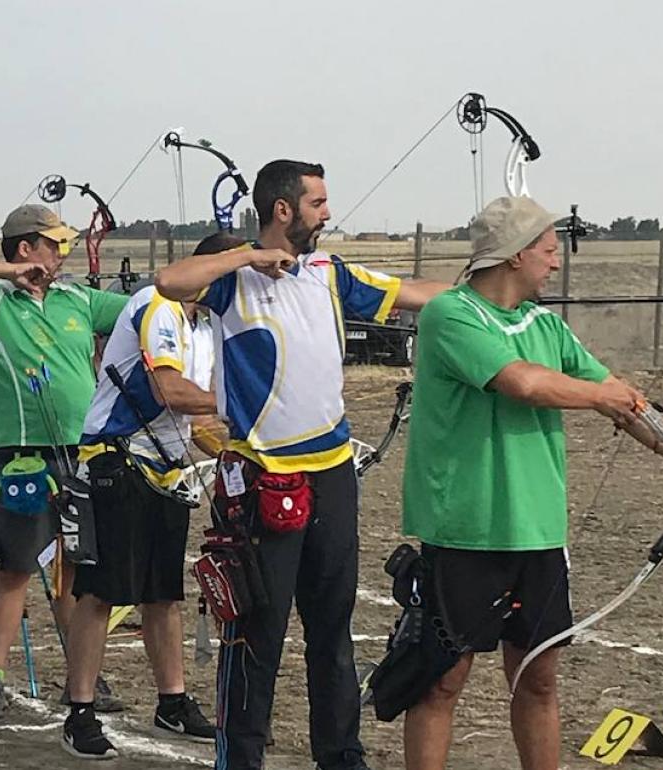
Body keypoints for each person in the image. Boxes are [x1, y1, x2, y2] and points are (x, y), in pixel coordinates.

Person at [156, 159, 450, 770]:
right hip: (264, 477)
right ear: (282, 210)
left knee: (332, 627)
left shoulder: (329, 272)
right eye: (317, 202)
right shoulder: (233, 280)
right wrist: (244, 257)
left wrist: (487, 292)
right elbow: (170, 281)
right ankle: (241, 758)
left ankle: (340, 753)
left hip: (332, 473)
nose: (328, 212)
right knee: (256, 632)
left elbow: (416, 294)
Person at [399, 196, 663, 770]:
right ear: (513, 257)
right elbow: (523, 383)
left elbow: (628, 405)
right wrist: (603, 395)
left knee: (538, 680)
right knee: (440, 682)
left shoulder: (547, 325)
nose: (555, 263)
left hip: (537, 532)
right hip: (465, 530)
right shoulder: (451, 314)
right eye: (548, 250)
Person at [0, 203, 130, 721]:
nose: (62, 251)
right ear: (27, 248)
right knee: (17, 569)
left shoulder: (77, 299)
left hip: (81, 453)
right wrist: (9, 273)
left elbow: (140, 308)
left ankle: (82, 677)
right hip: (23, 459)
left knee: (77, 573)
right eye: (53, 243)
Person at [60, 233, 240, 759]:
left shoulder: (205, 324)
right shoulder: (157, 304)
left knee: (164, 593)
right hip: (116, 461)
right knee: (102, 592)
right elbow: (170, 390)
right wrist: (246, 407)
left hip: (163, 467)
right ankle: (80, 712)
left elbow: (199, 417)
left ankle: (173, 702)